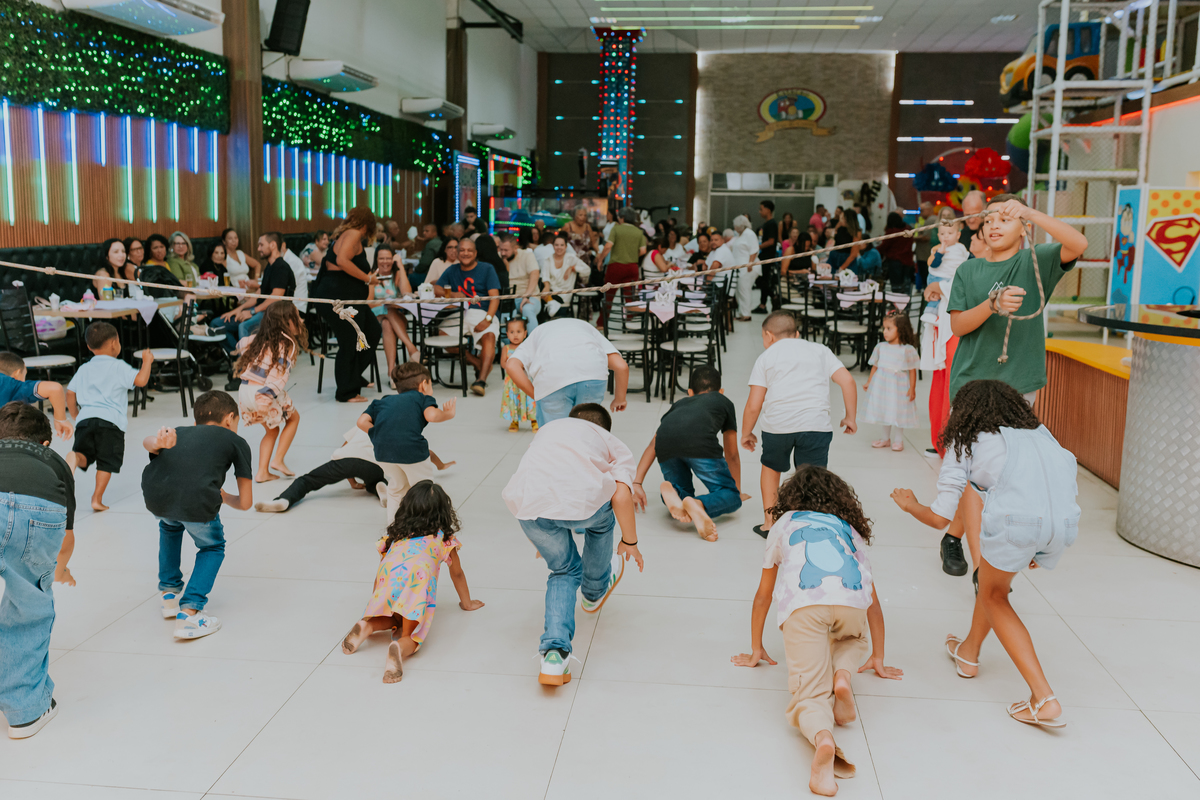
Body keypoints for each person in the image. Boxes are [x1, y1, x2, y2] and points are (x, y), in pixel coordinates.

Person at [890, 380, 1079, 728]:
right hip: (1062, 522)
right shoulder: (1040, 434)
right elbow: (1063, 478)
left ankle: (1043, 698)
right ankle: (968, 653)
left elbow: (939, 518)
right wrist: (1041, 540)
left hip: (1020, 523)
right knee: (993, 585)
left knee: (994, 596)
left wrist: (909, 504)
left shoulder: (968, 441)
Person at [733, 466, 901, 797]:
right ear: (841, 500)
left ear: (790, 498)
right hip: (851, 604)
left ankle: (824, 739)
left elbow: (763, 596)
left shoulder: (784, 524)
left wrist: (756, 648)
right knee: (853, 637)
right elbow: (873, 604)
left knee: (809, 695)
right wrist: (878, 656)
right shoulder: (848, 529)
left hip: (805, 606)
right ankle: (842, 675)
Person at [502, 403, 644, 686]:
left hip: (529, 506)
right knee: (601, 523)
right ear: (604, 429)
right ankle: (593, 592)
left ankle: (554, 656)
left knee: (564, 571)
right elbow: (620, 496)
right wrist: (630, 541)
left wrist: (542, 539)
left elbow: (545, 476)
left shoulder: (549, 430)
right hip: (582, 504)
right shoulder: (611, 442)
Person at [947, 194, 1087, 404]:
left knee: (1014, 438)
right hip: (970, 381)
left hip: (1019, 384)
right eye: (989, 221)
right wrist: (992, 305)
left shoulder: (1035, 260)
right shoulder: (967, 269)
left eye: (1005, 220)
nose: (994, 226)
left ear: (1024, 228)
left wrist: (1030, 213)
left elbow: (1079, 244)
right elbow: (957, 326)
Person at [340, 481, 483, 683]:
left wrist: (373, 607)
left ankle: (366, 625)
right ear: (443, 512)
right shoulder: (443, 539)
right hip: (416, 584)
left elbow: (381, 575)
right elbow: (457, 573)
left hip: (390, 577)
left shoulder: (394, 536)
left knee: (394, 617)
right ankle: (399, 648)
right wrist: (467, 603)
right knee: (411, 635)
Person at [142, 390, 253, 640]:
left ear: (196, 422)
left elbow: (148, 441)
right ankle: (190, 613)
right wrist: (224, 496)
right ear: (230, 419)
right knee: (213, 547)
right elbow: (246, 502)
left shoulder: (177, 432)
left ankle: (169, 594)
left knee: (170, 527)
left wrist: (158, 444)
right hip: (196, 501)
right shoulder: (235, 440)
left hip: (157, 497)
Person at [742, 311, 858, 537]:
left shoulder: (766, 356)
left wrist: (747, 432)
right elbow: (848, 380)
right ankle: (809, 524)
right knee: (812, 476)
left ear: (769, 336)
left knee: (771, 469)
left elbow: (754, 404)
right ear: (797, 334)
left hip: (778, 426)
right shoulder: (820, 350)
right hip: (816, 425)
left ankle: (770, 523)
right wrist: (849, 417)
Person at [0, 402, 76, 739]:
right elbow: (67, 538)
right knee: (27, 608)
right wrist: (58, 571)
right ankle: (25, 713)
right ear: (45, 443)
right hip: (37, 507)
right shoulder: (54, 462)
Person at [631, 365, 746, 542]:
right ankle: (699, 504)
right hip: (700, 445)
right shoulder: (724, 401)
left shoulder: (679, 404)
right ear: (720, 391)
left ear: (690, 392)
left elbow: (653, 443)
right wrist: (735, 491)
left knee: (683, 491)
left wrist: (637, 482)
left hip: (665, 445)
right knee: (730, 495)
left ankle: (676, 495)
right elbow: (732, 453)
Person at [66, 322, 153, 511]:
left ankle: (74, 457)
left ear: (89, 347)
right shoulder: (118, 366)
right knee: (106, 461)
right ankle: (96, 499)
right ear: (115, 343)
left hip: (85, 420)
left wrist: (76, 414)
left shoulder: (84, 368)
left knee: (84, 454)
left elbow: (70, 393)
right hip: (110, 423)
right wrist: (147, 362)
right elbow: (141, 380)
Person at [358, 362, 456, 523]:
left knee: (396, 489)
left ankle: (393, 529)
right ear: (424, 385)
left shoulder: (382, 401)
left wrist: (378, 434)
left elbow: (361, 422)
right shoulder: (421, 398)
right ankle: (427, 527)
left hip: (383, 452)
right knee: (423, 489)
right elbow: (431, 416)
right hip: (412, 452)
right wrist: (448, 414)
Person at [311, 206, 382, 403]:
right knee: (350, 341)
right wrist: (368, 279)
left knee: (373, 331)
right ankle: (346, 392)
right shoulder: (352, 234)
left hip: (347, 297)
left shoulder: (346, 234)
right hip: (339, 297)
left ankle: (353, 376)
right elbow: (342, 261)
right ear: (368, 224)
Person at [504, 317, 628, 425]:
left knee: (556, 436)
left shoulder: (538, 332)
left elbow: (511, 366)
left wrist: (536, 395)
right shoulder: (587, 328)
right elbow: (621, 366)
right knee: (587, 431)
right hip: (592, 375)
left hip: (553, 377)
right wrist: (620, 399)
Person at [235, 301, 304, 484]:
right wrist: (264, 401)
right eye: (297, 317)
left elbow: (241, 344)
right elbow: (278, 375)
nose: (301, 320)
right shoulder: (286, 343)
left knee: (271, 431)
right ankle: (278, 459)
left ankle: (262, 473)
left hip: (245, 391)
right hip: (263, 391)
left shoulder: (260, 339)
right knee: (294, 418)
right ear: (286, 321)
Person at [921, 209, 970, 458]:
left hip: (953, 324)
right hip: (941, 317)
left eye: (950, 232)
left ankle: (947, 440)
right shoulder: (939, 250)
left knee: (950, 381)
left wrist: (937, 285)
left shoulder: (963, 253)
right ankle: (939, 439)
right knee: (940, 382)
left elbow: (960, 280)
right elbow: (934, 269)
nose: (946, 236)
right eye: (942, 232)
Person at [434, 237, 501, 396]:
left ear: (475, 253)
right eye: (462, 250)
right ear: (457, 253)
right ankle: (477, 362)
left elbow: (495, 297)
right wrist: (451, 293)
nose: (465, 253)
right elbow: (436, 288)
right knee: (441, 336)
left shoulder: (487, 268)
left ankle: (481, 381)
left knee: (489, 336)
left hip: (483, 313)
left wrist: (488, 320)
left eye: (469, 250)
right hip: (460, 313)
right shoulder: (452, 270)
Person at [212, 232, 297, 351]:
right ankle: (240, 359)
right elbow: (258, 295)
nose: (258, 249)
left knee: (244, 326)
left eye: (261, 245)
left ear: (272, 245)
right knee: (217, 323)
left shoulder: (281, 267)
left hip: (273, 315)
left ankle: (248, 365)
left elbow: (275, 298)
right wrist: (239, 309)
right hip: (261, 311)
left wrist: (251, 312)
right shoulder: (270, 266)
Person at [862, 312, 919, 452]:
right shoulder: (880, 347)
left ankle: (898, 440)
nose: (884, 332)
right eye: (884, 328)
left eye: (889, 328)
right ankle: (885, 439)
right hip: (882, 386)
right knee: (885, 411)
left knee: (899, 412)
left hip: (898, 387)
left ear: (901, 329)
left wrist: (912, 388)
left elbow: (912, 370)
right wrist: (869, 381)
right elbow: (875, 366)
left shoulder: (907, 350)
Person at [370, 245, 419, 375]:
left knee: (388, 322)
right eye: (381, 258)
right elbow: (368, 303)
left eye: (388, 258)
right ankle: (411, 348)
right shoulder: (372, 276)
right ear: (376, 259)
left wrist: (401, 266)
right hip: (375, 317)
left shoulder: (396, 274)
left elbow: (406, 292)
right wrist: (384, 304)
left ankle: (391, 372)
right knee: (388, 308)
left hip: (395, 317)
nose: (385, 261)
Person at [0, 352, 71, 438]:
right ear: (17, 374)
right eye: (24, 375)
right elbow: (55, 388)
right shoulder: (13, 385)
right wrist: (61, 420)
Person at [597, 208, 647, 325]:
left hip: (616, 266)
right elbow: (643, 251)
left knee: (608, 295)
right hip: (632, 267)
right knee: (630, 296)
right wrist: (632, 255)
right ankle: (630, 321)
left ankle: (601, 323)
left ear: (622, 217)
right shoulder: (639, 231)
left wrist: (600, 260)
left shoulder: (617, 229)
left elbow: (608, 246)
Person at [498, 231, 542, 332]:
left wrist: (526, 296)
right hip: (508, 299)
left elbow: (535, 275)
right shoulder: (499, 257)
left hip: (530, 296)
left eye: (506, 250)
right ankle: (509, 346)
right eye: (501, 250)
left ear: (515, 248)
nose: (503, 253)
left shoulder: (527, 255)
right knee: (504, 316)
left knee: (527, 310)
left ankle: (533, 343)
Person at [500, 318, 537, 432]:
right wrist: (513, 366)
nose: (515, 335)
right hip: (512, 383)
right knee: (513, 400)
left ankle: (534, 421)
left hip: (525, 380)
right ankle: (514, 421)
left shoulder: (527, 348)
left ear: (525, 333)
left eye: (519, 332)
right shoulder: (506, 348)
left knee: (530, 400)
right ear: (507, 334)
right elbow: (503, 363)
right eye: (512, 332)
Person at [542, 232, 591, 316]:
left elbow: (587, 270)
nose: (559, 247)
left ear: (566, 246)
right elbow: (545, 276)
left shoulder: (571, 258)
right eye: (556, 245)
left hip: (564, 295)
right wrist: (546, 287)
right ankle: (550, 303)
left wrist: (573, 268)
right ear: (553, 246)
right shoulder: (548, 259)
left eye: (562, 245)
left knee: (549, 309)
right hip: (551, 293)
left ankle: (551, 304)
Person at [731, 215, 761, 320]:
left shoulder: (749, 233)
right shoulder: (740, 235)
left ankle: (746, 314)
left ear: (741, 225)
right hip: (740, 268)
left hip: (748, 268)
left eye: (735, 226)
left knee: (744, 290)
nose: (734, 228)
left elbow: (754, 249)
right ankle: (742, 313)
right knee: (740, 290)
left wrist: (750, 264)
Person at [877, 212, 915, 293]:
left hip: (895, 261)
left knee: (896, 286)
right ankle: (906, 303)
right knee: (906, 285)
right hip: (908, 261)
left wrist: (874, 250)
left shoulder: (891, 232)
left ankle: (896, 304)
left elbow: (884, 246)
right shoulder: (908, 230)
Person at [754, 200, 780, 313]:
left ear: (768, 210)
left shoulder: (772, 224)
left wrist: (758, 247)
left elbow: (771, 241)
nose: (760, 212)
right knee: (763, 280)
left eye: (761, 209)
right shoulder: (766, 224)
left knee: (761, 281)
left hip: (767, 257)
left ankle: (773, 296)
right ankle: (763, 304)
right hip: (764, 256)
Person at [278, 238, 309, 313]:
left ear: (283, 245)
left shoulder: (292, 261)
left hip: (296, 307)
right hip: (287, 304)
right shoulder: (283, 260)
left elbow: (281, 287)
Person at [913, 201, 937, 290]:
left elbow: (926, 237)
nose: (920, 213)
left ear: (929, 209)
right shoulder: (930, 220)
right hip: (926, 255)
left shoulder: (930, 220)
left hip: (925, 255)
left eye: (922, 210)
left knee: (926, 281)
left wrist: (913, 238)